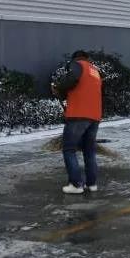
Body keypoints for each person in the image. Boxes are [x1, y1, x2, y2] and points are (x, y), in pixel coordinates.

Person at [51, 50, 103, 195]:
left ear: (76, 58)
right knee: (89, 151)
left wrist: (58, 87)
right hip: (94, 116)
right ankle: (91, 184)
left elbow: (72, 78)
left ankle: (76, 184)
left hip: (78, 115)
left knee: (69, 149)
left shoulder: (78, 65)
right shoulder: (95, 71)